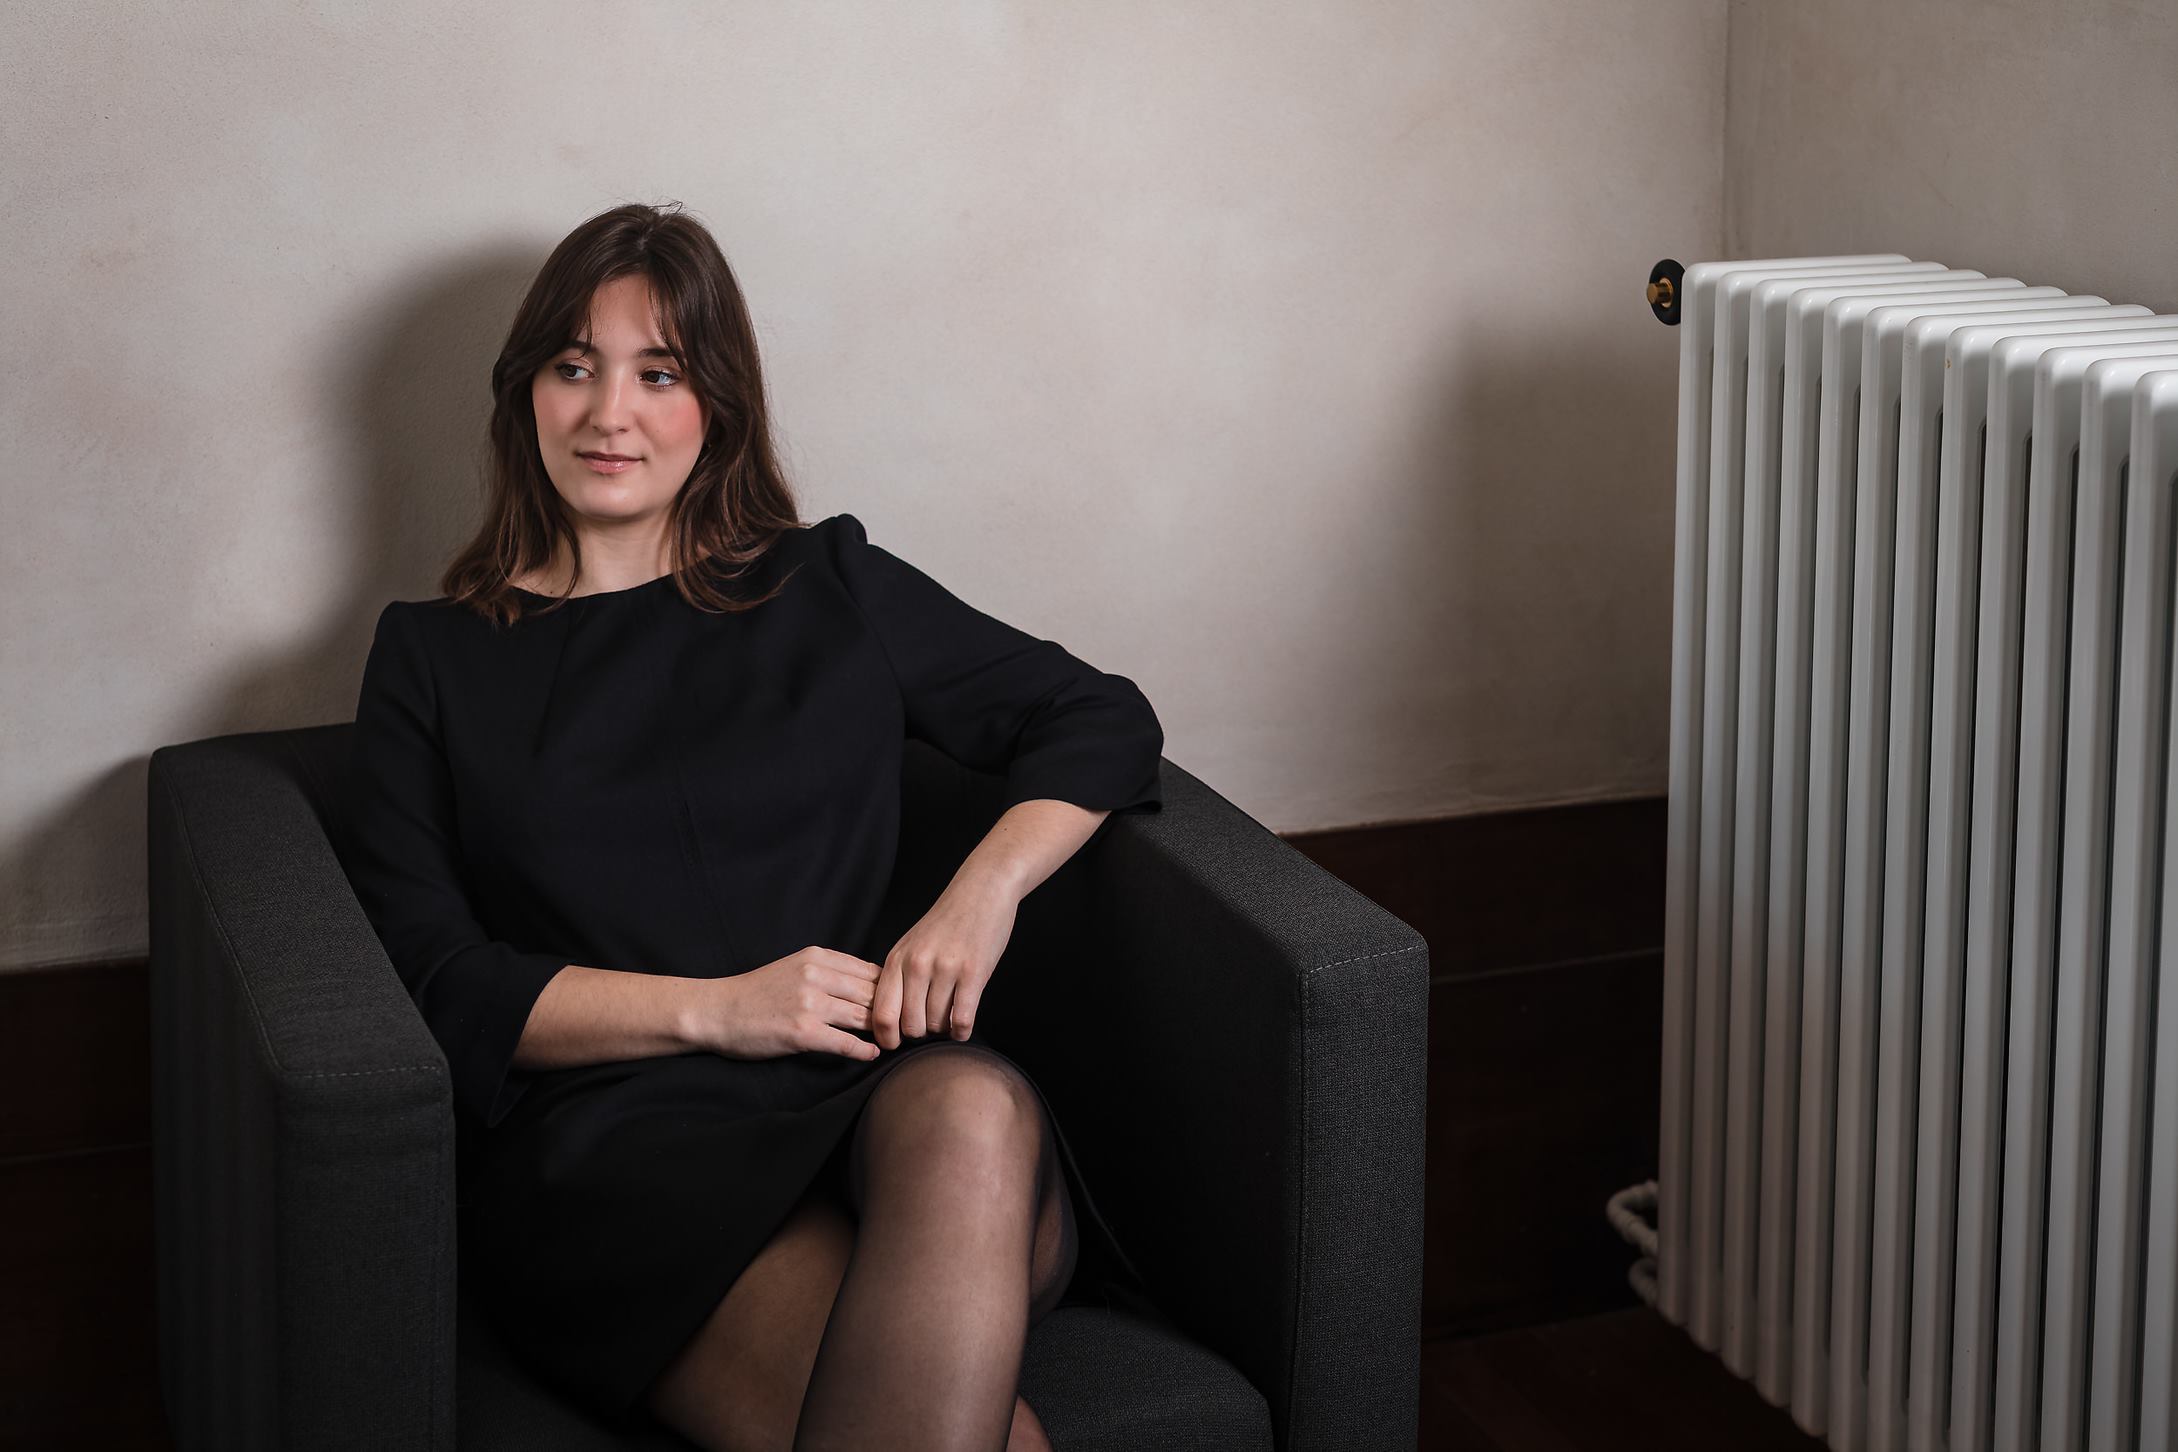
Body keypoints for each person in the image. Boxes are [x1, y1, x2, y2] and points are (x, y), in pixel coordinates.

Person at [338, 201, 1165, 1452]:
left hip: (869, 1090)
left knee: (974, 1112)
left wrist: (976, 896)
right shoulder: (433, 660)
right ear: (525, 398)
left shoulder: (825, 582)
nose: (610, 413)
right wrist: (718, 1006)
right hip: (623, 1154)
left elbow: (1095, 717)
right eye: (576, 367)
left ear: (714, 405)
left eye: (658, 373)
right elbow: (435, 976)